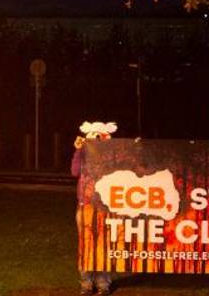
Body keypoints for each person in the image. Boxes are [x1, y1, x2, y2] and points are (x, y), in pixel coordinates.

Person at [72, 121, 116, 295]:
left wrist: (112, 146)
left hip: (105, 206)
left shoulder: (110, 157)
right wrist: (78, 150)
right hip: (85, 205)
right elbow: (75, 172)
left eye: (101, 137)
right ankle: (86, 284)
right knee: (86, 244)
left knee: (104, 245)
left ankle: (103, 283)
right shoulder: (83, 155)